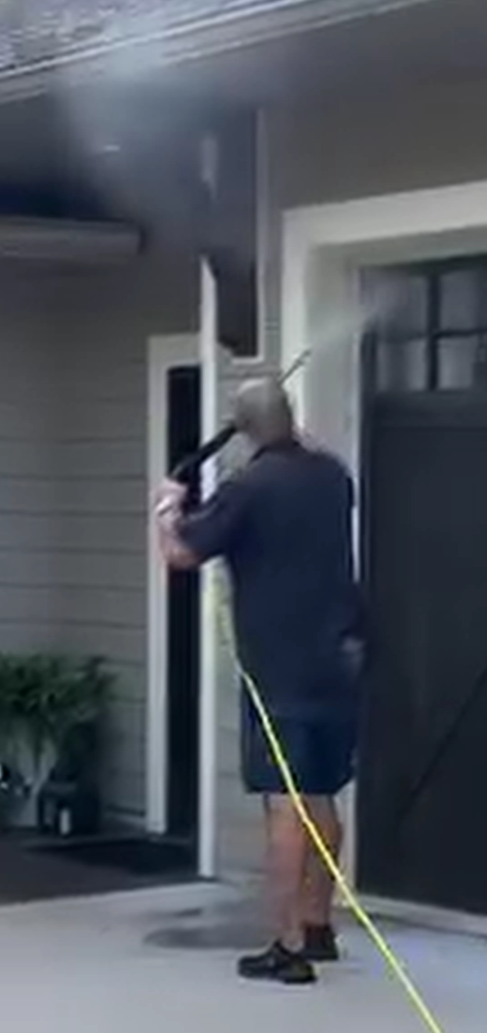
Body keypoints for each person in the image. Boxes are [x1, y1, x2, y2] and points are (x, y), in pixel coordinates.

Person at [155, 378, 362, 987]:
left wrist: (169, 505)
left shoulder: (249, 489)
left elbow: (182, 554)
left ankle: (286, 946)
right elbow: (315, 460)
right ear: (291, 420)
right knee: (321, 795)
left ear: (244, 430)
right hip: (340, 662)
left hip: (280, 670)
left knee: (286, 809)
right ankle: (319, 927)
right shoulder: (333, 477)